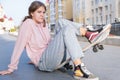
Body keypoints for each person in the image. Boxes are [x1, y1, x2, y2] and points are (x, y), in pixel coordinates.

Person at [0, 1, 111, 79]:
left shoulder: (43, 24)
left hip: (50, 56)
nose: (42, 15)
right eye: (39, 12)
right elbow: (19, 46)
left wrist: (33, 57)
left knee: (61, 22)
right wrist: (11, 68)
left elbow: (48, 43)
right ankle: (79, 67)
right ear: (31, 13)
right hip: (45, 63)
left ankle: (88, 32)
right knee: (66, 29)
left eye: (44, 12)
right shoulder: (27, 24)